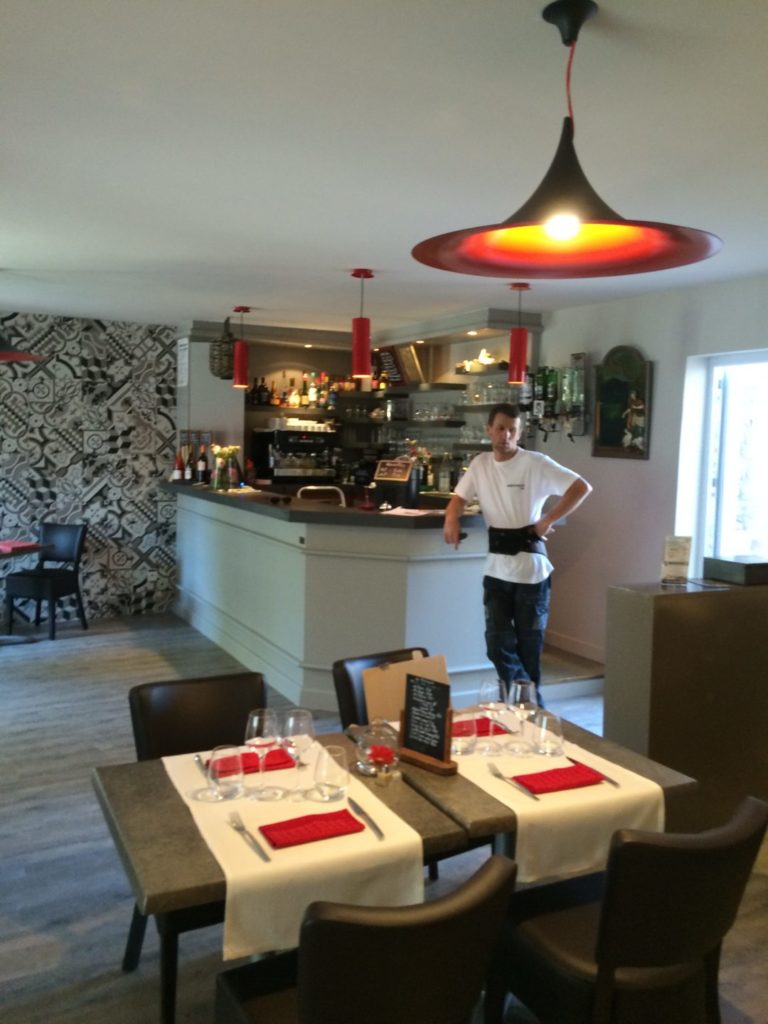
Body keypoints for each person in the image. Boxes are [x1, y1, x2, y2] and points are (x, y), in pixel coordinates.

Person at [443, 403, 592, 701]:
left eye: (513, 430)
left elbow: (581, 488)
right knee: (496, 644)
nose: (506, 436)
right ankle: (528, 702)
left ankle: (523, 708)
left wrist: (547, 520)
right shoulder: (480, 464)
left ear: (520, 433)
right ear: (489, 430)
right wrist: (451, 518)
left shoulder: (536, 462)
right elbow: (459, 498)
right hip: (496, 571)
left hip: (532, 572)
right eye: (500, 429)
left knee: (528, 651)